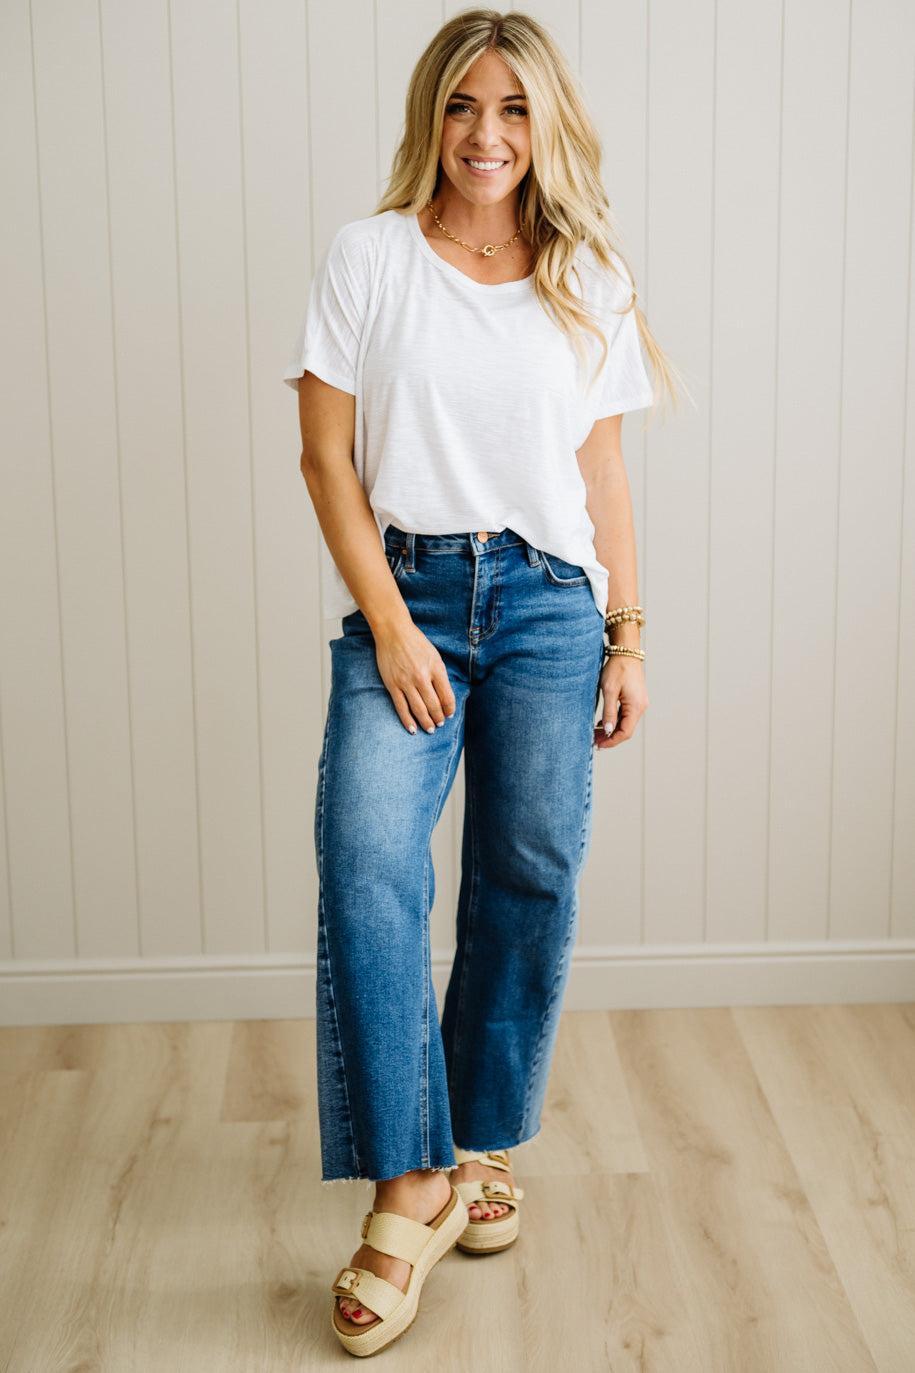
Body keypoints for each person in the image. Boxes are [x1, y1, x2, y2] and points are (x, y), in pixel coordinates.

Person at [283, 8, 679, 1357]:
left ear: (546, 123)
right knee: (370, 859)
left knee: (527, 868)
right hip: (412, 596)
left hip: (551, 610)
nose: (488, 136)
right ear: (431, 117)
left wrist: (626, 632)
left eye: (514, 109)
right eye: (464, 106)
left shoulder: (589, 274)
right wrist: (391, 624)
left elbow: (603, 473)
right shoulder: (372, 257)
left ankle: (478, 1141)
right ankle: (413, 1179)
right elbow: (328, 462)